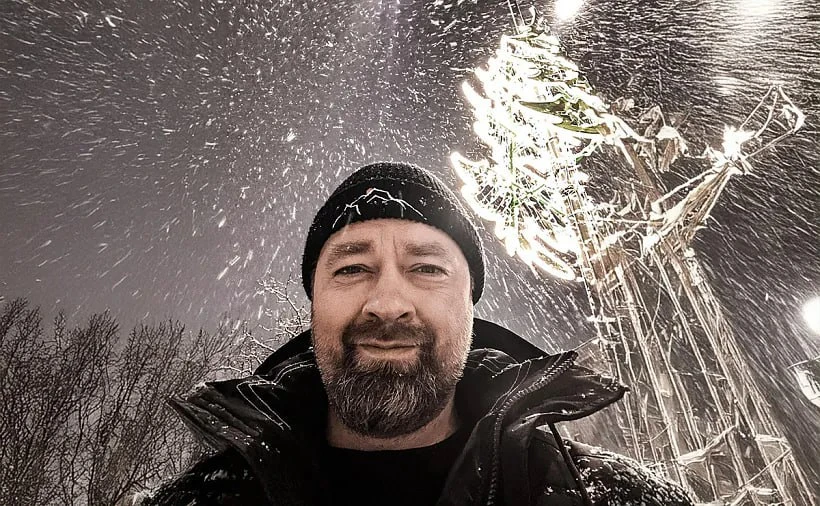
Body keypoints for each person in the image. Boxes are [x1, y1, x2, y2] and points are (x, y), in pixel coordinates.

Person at [146, 162, 694, 506]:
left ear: (470, 306)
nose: (387, 303)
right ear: (314, 305)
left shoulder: (614, 497)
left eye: (427, 268)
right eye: (351, 268)